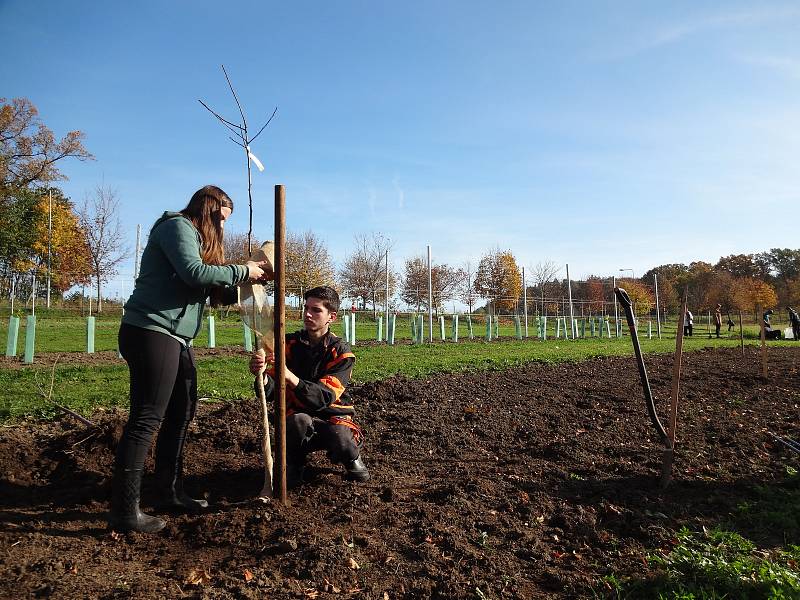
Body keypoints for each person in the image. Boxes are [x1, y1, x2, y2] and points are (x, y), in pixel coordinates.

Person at [110, 185, 271, 533]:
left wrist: (247, 284)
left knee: (182, 410)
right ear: (209, 209)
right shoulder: (176, 227)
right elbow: (193, 274)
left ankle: (169, 493)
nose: (224, 228)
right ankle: (125, 511)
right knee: (147, 418)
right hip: (151, 330)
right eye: (222, 219)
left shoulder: (198, 242)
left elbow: (210, 292)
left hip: (176, 338)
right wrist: (243, 269)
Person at [249, 285, 369, 489]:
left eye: (316, 310)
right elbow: (270, 392)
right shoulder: (287, 344)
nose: (307, 314)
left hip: (333, 415)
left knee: (340, 437)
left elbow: (324, 396)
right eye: (306, 308)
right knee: (297, 421)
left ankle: (351, 458)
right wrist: (262, 375)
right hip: (298, 414)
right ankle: (295, 463)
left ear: (331, 316)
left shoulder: (341, 353)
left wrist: (288, 375)